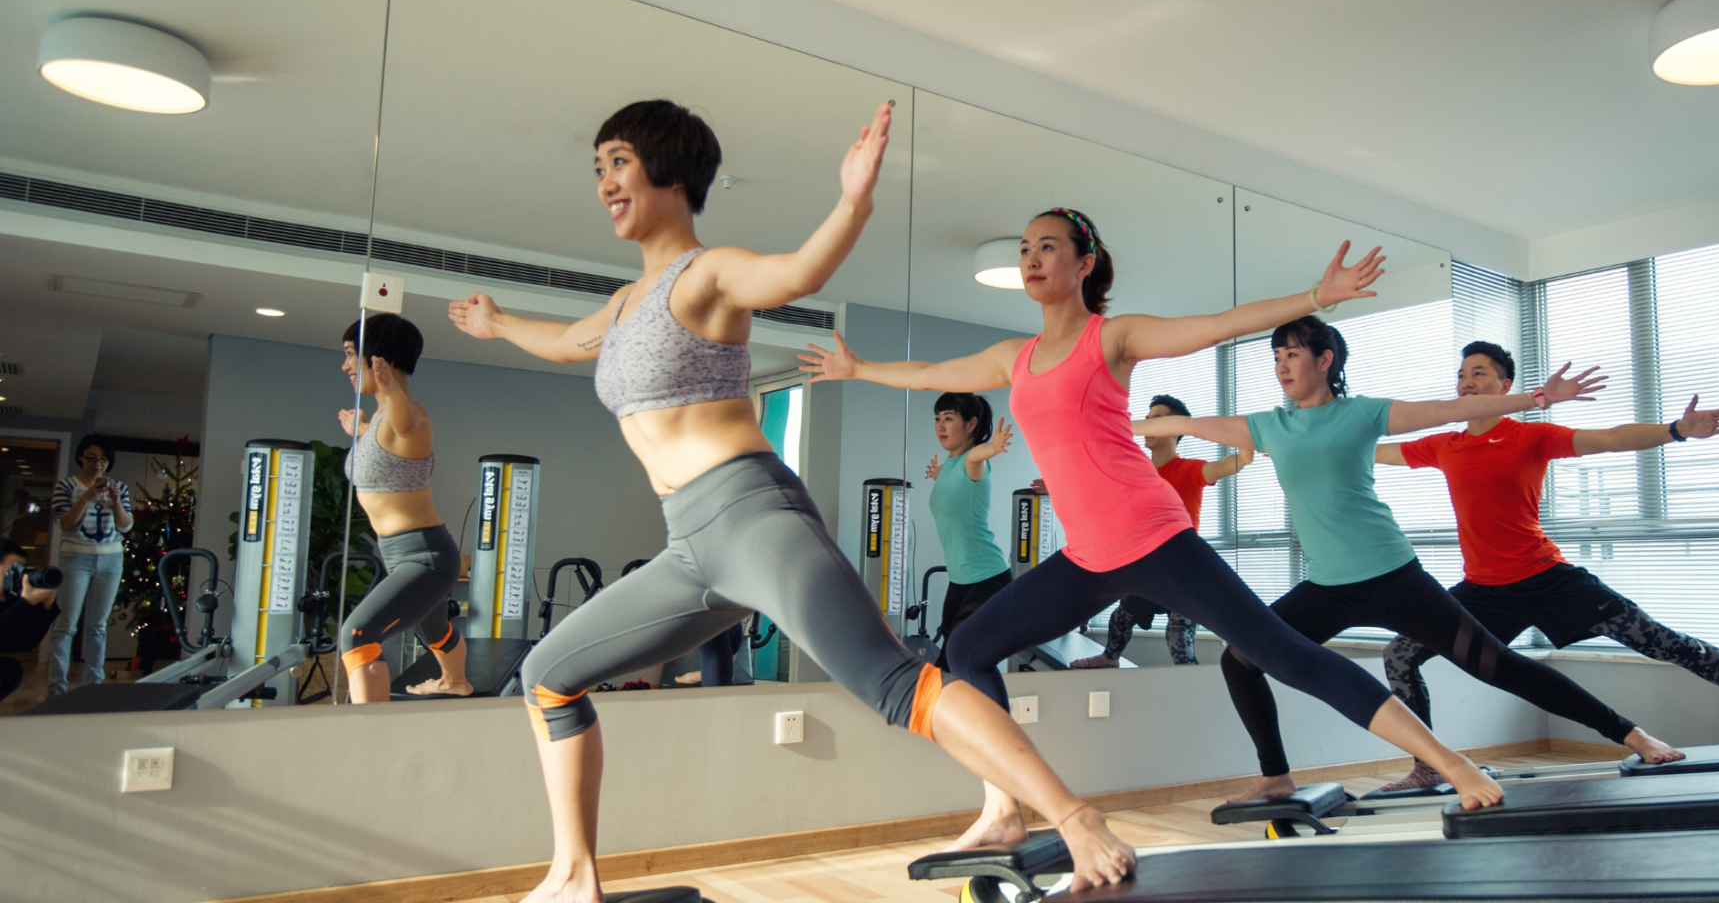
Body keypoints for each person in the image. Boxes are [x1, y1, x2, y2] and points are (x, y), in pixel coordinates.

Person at [450, 100, 1134, 900]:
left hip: (750, 516)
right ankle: (573, 876)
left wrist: (853, 202)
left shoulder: (707, 273)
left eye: (619, 162)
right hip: (686, 546)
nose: (604, 182)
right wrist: (499, 324)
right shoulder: (622, 307)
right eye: (598, 167)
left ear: (670, 171)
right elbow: (566, 343)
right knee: (548, 674)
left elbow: (797, 274)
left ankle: (1071, 815)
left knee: (894, 684)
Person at [802, 208, 1506, 852]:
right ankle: (1003, 806)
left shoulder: (1113, 337)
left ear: (1084, 263)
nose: (1031, 259)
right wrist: (858, 367)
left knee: (1282, 653)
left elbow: (1221, 323)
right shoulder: (1012, 358)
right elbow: (928, 373)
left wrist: (1316, 298)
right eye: (1024, 249)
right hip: (1085, 556)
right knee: (967, 647)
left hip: (1154, 536)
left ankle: (1450, 761)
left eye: (1048, 247)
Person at [1134, 316, 1688, 805]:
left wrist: (1537, 399)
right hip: (1327, 587)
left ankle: (1630, 734)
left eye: (1293, 355)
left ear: (1324, 360)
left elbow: (1449, 408)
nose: (1281, 366)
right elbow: (1171, 426)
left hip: (1392, 576)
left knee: (1495, 665)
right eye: (1276, 357)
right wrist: (1097, 425)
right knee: (1240, 658)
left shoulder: (1362, 415)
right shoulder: (1266, 426)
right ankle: (1276, 776)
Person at [1368, 340, 1719, 791]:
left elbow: (1610, 439)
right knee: (1401, 655)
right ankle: (1428, 766)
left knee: (1666, 644)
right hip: (1484, 591)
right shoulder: (1443, 445)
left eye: (1479, 373)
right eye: (1461, 375)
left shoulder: (1529, 436)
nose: (1467, 381)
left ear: (1505, 386)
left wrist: (1676, 431)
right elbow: (1373, 453)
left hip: (1549, 579)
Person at [335, 312, 471, 702]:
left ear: (378, 358)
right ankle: (455, 681)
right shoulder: (381, 420)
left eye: (350, 354)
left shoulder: (409, 414)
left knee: (357, 634)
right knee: (434, 628)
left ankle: (372, 733)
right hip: (402, 554)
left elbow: (407, 426)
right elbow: (389, 448)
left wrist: (392, 391)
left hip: (425, 557)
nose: (345, 365)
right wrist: (360, 431)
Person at [1074, 394, 1254, 668]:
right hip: (1149, 571)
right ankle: (1110, 659)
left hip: (1185, 573)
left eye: (1155, 420)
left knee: (1177, 637)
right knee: (1121, 618)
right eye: (1146, 420)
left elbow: (1221, 467)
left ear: (1176, 429)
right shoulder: (1136, 472)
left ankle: (1192, 687)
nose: (1147, 425)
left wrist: (1243, 455)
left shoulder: (1189, 470)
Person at [923, 392, 1015, 673]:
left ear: (971, 424)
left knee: (959, 656)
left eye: (949, 419)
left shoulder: (973, 461)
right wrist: (937, 472)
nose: (940, 426)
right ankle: (936, 714)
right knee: (950, 658)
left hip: (987, 579)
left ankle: (931, 711)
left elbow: (978, 454)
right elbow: (952, 482)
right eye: (937, 419)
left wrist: (994, 446)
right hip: (960, 581)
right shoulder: (950, 465)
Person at [47, 436, 130, 697]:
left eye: (103, 459)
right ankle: (57, 687)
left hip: (111, 559)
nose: (97, 464)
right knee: (67, 623)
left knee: (98, 625)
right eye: (92, 458)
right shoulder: (67, 485)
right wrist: (86, 498)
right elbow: (65, 523)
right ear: (81, 457)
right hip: (76, 558)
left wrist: (115, 501)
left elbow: (126, 526)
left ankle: (93, 685)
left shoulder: (119, 487)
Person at [0, 538, 62, 703]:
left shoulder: (9, 601)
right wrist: (25, 604)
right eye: (13, 569)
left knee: (10, 669)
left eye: (23, 570)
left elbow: (25, 643)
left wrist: (46, 608)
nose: (20, 577)